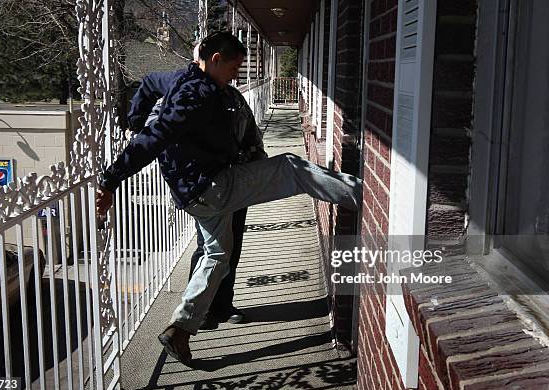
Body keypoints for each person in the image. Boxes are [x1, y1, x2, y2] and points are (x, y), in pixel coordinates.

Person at [96, 31, 362, 364]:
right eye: (234, 67)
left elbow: (149, 83)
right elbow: (153, 138)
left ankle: (180, 329)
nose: (236, 75)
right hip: (212, 186)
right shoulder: (196, 95)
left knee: (217, 254)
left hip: (193, 194)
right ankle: (361, 195)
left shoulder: (184, 81)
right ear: (215, 59)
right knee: (291, 168)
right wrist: (110, 179)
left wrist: (136, 118)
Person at [126, 51, 264, 327]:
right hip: (205, 184)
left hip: (238, 178)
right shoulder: (181, 94)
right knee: (208, 248)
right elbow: (156, 129)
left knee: (230, 245)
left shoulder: (232, 97)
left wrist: (256, 160)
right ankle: (198, 312)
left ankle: (222, 305)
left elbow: (250, 130)